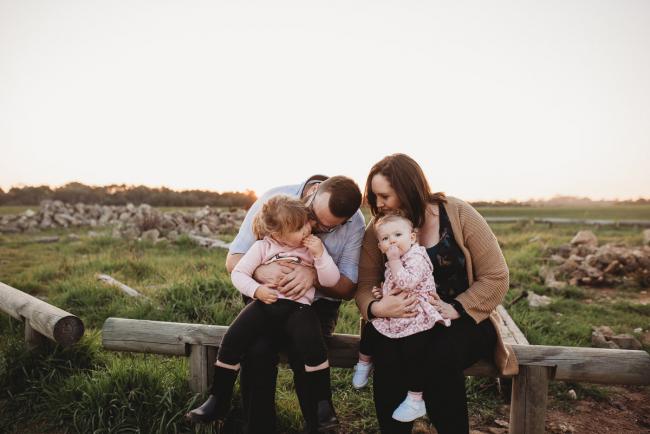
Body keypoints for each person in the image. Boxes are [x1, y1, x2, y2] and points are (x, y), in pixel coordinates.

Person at [188, 174, 365, 433]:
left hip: (313, 306)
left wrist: (314, 274)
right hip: (266, 299)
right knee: (257, 349)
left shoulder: (353, 223)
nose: (314, 227)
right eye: (313, 216)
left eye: (328, 228)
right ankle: (254, 424)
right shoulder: (274, 203)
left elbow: (347, 287)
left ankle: (319, 422)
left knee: (305, 346)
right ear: (312, 194)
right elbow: (233, 262)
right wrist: (261, 274)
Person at [355, 154, 518, 434]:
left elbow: (497, 276)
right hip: (400, 321)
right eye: (374, 196)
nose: (378, 204)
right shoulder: (380, 228)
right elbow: (364, 283)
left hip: (462, 322)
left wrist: (457, 306)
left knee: (440, 354)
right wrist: (377, 309)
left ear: (408, 188)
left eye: (384, 196)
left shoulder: (458, 213)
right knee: (389, 353)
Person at [351, 211, 450, 423]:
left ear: (412, 237)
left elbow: (406, 283)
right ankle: (363, 363)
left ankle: (416, 399)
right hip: (396, 312)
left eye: (398, 235)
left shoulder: (417, 257)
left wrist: (394, 261)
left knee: (413, 351)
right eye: (385, 239)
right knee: (371, 329)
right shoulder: (395, 259)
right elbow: (393, 284)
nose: (392, 241)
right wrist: (382, 294)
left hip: (416, 313)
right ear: (380, 247)